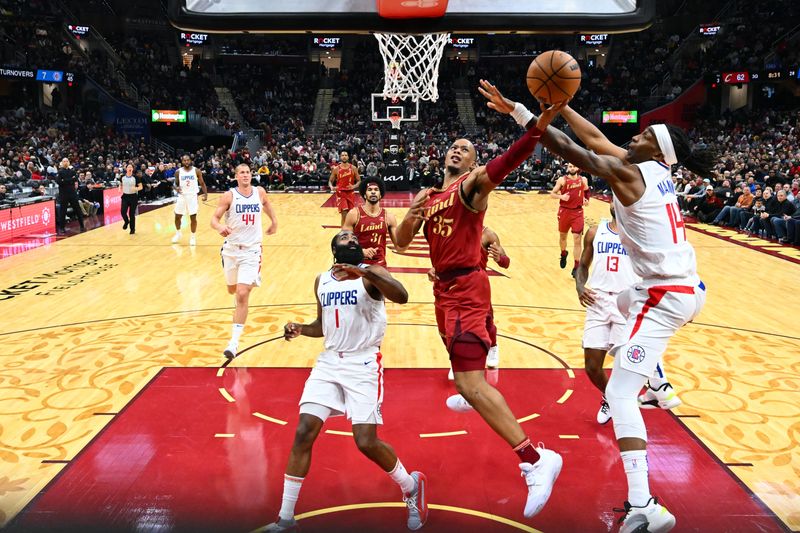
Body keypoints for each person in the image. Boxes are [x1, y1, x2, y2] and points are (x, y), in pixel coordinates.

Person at [485, 85, 712, 531]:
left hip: (664, 295)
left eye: (646, 134)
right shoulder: (651, 169)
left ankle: (644, 502)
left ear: (656, 149)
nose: (636, 135)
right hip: (675, 288)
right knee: (623, 305)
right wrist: (562, 105)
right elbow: (592, 139)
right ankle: (650, 371)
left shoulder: (631, 175)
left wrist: (520, 112)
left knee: (621, 393)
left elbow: (571, 147)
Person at [395, 80, 565, 519]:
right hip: (444, 291)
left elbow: (509, 160)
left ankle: (535, 460)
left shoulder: (470, 188)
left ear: (473, 163)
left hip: (467, 289)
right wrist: (412, 212)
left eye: (466, 149)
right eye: (453, 146)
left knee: (470, 382)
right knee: (465, 377)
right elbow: (398, 242)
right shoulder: (428, 197)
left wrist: (531, 119)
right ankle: (477, 399)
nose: (457, 150)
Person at [265, 230, 426, 532]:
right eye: (344, 237)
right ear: (333, 249)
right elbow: (322, 326)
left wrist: (365, 272)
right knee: (303, 432)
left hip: (363, 363)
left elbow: (402, 296)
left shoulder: (371, 274)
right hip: (329, 363)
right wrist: (299, 328)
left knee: (365, 441)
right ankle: (285, 518)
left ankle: (410, 486)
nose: (351, 239)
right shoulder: (321, 280)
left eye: (354, 238)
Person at [575, 206, 682, 425]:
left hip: (627, 301)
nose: (617, 203)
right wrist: (579, 286)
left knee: (630, 357)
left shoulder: (638, 236)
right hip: (598, 300)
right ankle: (611, 397)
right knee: (592, 367)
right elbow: (583, 265)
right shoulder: (596, 231)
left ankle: (657, 387)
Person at [210, 163, 277, 360]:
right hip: (230, 251)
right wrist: (219, 227)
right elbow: (214, 218)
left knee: (241, 294)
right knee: (232, 290)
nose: (246, 175)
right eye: (242, 172)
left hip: (252, 251)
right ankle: (244, 287)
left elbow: (267, 205)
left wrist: (274, 221)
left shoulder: (260, 192)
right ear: (236, 176)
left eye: (248, 172)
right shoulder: (229, 195)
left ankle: (233, 343)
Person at [441, 225, 510, 403]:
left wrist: (499, 257)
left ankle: (493, 347)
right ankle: (455, 362)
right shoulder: (451, 231)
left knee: (486, 322)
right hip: (453, 287)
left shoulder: (488, 234)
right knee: (449, 327)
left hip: (477, 287)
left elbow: (505, 262)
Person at [342, 176, 404, 267]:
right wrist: (361, 251)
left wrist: (410, 225)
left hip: (380, 265)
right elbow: (343, 244)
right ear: (364, 194)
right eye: (370, 189)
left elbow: (400, 247)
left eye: (376, 189)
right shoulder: (354, 214)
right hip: (358, 264)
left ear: (380, 195)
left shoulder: (389, 217)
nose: (373, 192)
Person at [550, 162, 589, 276]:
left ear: (578, 167)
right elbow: (552, 194)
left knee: (577, 239)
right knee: (563, 237)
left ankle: (576, 267)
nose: (572, 168)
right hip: (564, 211)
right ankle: (563, 253)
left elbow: (586, 191)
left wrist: (586, 199)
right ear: (567, 168)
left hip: (577, 212)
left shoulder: (583, 180)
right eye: (570, 166)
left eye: (574, 166)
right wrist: (561, 196)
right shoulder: (562, 180)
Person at [172, 154, 208, 246]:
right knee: (177, 216)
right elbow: (175, 184)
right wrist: (176, 189)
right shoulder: (178, 172)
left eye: (188, 160)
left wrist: (205, 194)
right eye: (184, 160)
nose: (186, 162)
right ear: (182, 161)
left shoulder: (196, 171)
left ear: (190, 161)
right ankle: (178, 233)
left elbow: (202, 183)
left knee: (193, 218)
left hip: (192, 196)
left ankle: (192, 237)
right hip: (182, 196)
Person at [329, 151, 360, 225]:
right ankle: (343, 231)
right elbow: (330, 181)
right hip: (340, 193)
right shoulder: (336, 169)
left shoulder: (353, 168)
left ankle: (350, 229)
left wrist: (354, 186)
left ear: (348, 157)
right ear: (340, 157)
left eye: (346, 155)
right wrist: (331, 187)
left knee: (350, 213)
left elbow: (359, 181)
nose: (344, 156)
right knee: (344, 213)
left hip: (350, 193)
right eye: (342, 155)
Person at [55, 157, 85, 234]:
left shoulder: (72, 171)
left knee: (78, 209)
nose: (65, 162)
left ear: (69, 162)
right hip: (63, 194)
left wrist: (65, 180)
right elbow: (59, 182)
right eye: (64, 161)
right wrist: (70, 180)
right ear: (62, 163)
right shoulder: (60, 172)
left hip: (72, 193)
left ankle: (82, 225)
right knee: (63, 211)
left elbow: (75, 179)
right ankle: (62, 228)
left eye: (67, 161)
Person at [119, 163, 142, 235]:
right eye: (128, 167)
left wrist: (135, 188)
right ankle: (126, 221)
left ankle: (132, 229)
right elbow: (120, 184)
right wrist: (120, 188)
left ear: (132, 169)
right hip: (125, 196)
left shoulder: (136, 177)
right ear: (126, 169)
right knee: (123, 211)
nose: (129, 168)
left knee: (131, 214)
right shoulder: (122, 177)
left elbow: (141, 187)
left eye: (131, 167)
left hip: (133, 197)